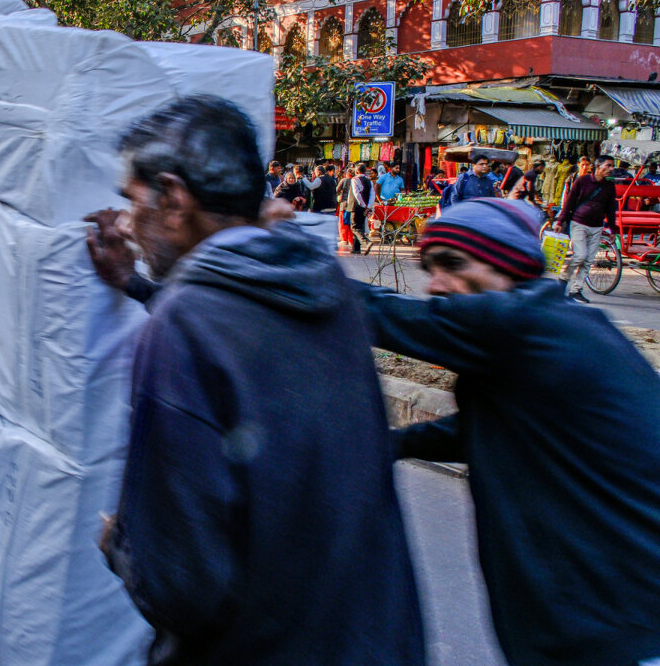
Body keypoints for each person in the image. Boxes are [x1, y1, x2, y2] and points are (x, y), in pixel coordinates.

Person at [95, 96, 425, 666]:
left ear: (174, 198)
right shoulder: (323, 284)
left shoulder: (183, 329)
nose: (125, 222)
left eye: (131, 200)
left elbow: (182, 587)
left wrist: (120, 543)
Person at [356, 199, 660, 666]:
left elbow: (381, 314)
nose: (435, 285)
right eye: (430, 267)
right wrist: (389, 443)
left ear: (507, 266)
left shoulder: (523, 325)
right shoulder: (561, 328)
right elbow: (492, 426)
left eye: (453, 265)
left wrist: (265, 247)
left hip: (612, 630)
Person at [554, 154, 617, 304]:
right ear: (598, 166)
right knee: (580, 255)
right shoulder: (582, 181)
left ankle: (576, 290)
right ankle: (563, 280)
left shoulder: (609, 186)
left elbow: (610, 209)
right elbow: (569, 203)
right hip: (578, 223)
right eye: (608, 165)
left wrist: (613, 229)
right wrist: (560, 220)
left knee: (588, 260)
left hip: (597, 227)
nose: (611, 169)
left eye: (612, 166)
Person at [348, 163, 375, 254]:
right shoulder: (369, 181)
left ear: (357, 171)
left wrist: (363, 205)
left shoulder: (355, 179)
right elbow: (372, 195)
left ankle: (366, 242)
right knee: (360, 226)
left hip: (356, 206)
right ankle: (356, 248)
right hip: (365, 207)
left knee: (354, 227)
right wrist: (368, 207)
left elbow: (357, 194)